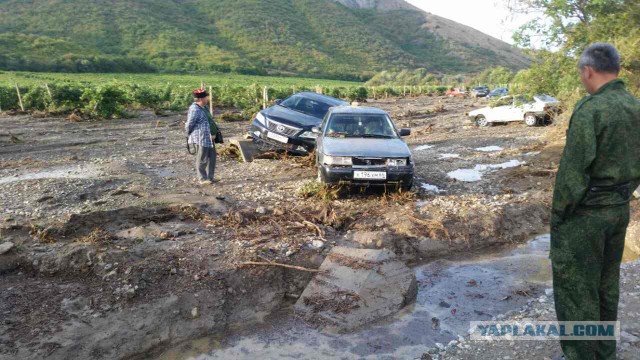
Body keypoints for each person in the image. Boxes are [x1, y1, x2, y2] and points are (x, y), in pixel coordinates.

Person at [551, 43, 640, 360]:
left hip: (586, 215)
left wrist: (559, 215)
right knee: (606, 283)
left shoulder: (592, 109)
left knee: (576, 288)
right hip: (618, 211)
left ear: (588, 71)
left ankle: (581, 354)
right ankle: (605, 351)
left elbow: (573, 174)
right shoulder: (635, 106)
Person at [185, 89, 219, 185]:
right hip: (201, 137)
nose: (207, 99)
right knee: (202, 158)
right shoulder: (194, 109)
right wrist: (188, 134)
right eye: (205, 97)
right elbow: (190, 123)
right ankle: (202, 178)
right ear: (200, 99)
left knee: (212, 158)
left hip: (209, 137)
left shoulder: (205, 107)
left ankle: (210, 177)